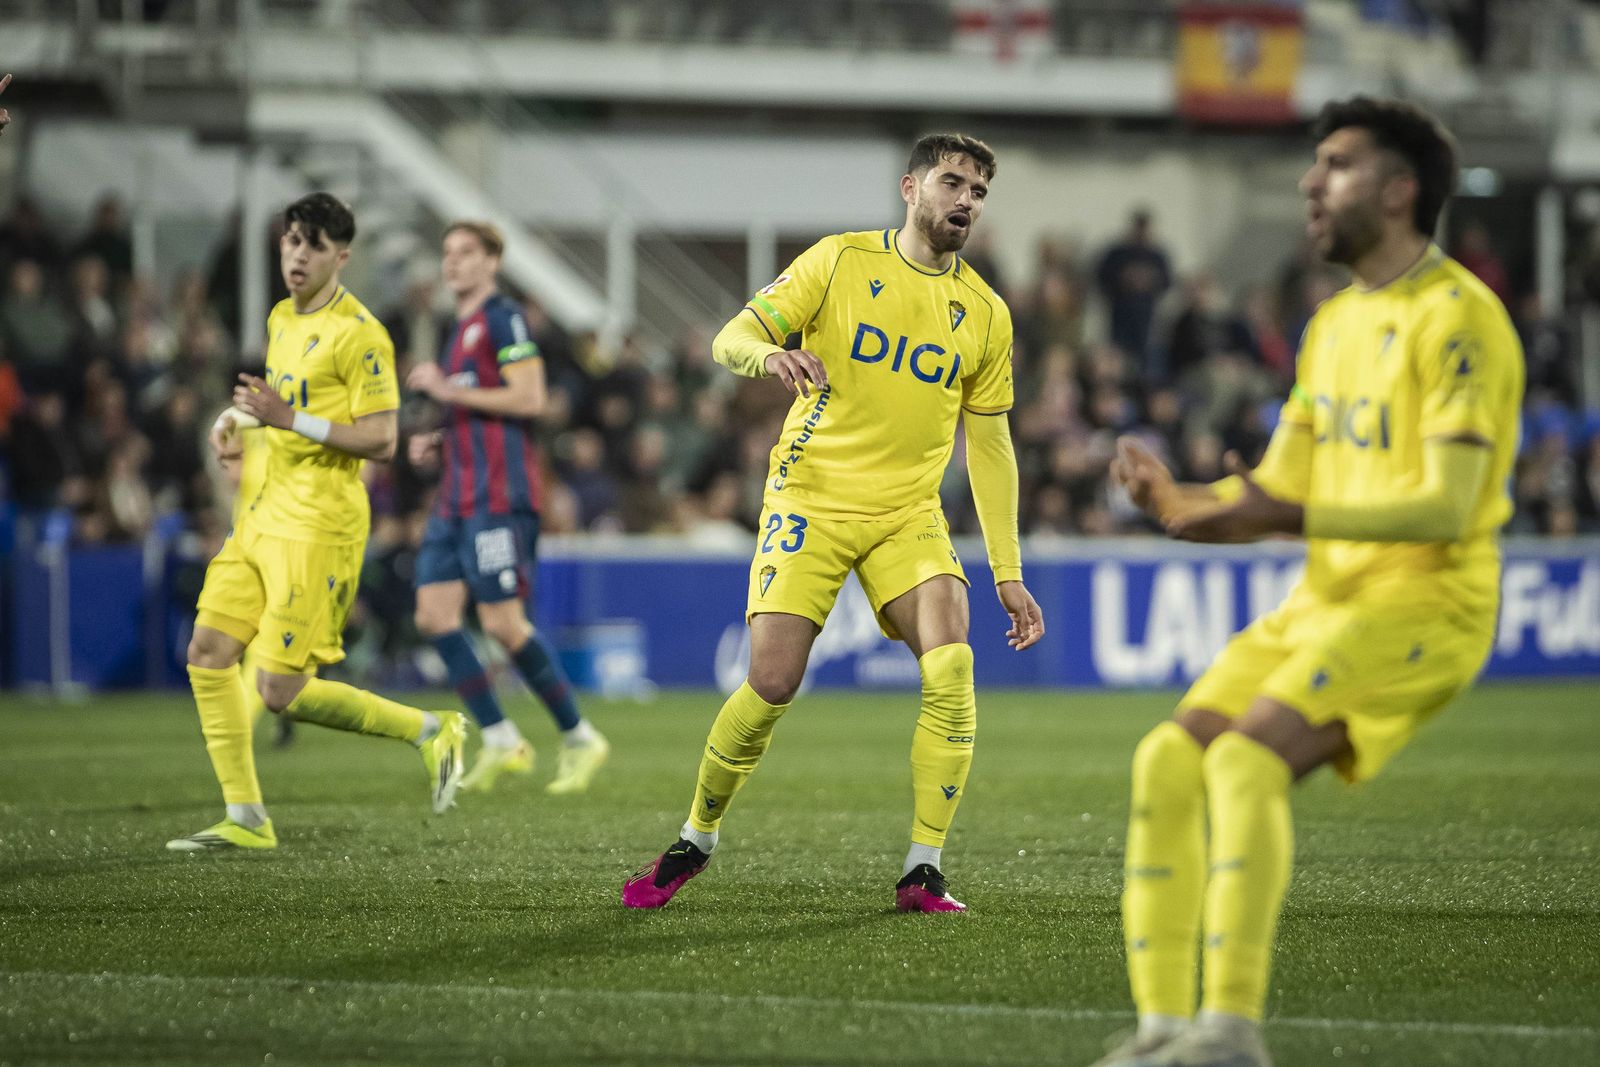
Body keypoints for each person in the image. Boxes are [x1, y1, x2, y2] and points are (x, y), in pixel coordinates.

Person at [1094, 97, 1523, 1067]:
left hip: (1427, 600)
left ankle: (1230, 1033)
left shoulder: (1462, 319)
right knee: (1166, 761)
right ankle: (1164, 1031)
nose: (1308, 183)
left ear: (1397, 189)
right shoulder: (1331, 324)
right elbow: (1279, 489)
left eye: (1333, 164)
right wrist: (1178, 504)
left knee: (1242, 762)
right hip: (1327, 599)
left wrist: (1280, 513)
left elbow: (1446, 507)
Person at [622, 133, 1045, 913]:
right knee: (773, 680)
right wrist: (770, 359)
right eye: (952, 183)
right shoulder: (840, 261)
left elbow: (990, 446)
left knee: (951, 663)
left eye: (979, 192)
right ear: (910, 187)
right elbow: (731, 336)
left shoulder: (984, 314)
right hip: (809, 497)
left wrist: (1008, 571)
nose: (966, 201)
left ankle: (924, 867)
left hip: (906, 513)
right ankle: (696, 835)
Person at [168, 193, 466, 853]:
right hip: (264, 512)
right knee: (209, 652)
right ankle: (245, 815)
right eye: (290, 241)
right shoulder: (280, 319)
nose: (297, 255)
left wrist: (281, 419)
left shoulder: (360, 335)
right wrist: (235, 422)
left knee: (280, 690)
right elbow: (279, 406)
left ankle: (431, 728)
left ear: (342, 256)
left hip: (321, 523)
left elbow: (383, 439)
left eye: (313, 245)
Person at [407, 220, 608, 795]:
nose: (453, 264)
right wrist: (441, 438)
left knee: (501, 623)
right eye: (447, 253)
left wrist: (447, 393)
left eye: (467, 253)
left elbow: (530, 397)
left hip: (498, 497)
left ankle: (580, 736)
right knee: (434, 617)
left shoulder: (503, 317)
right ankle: (500, 738)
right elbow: (478, 410)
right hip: (455, 495)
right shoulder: (459, 328)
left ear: (493, 261)